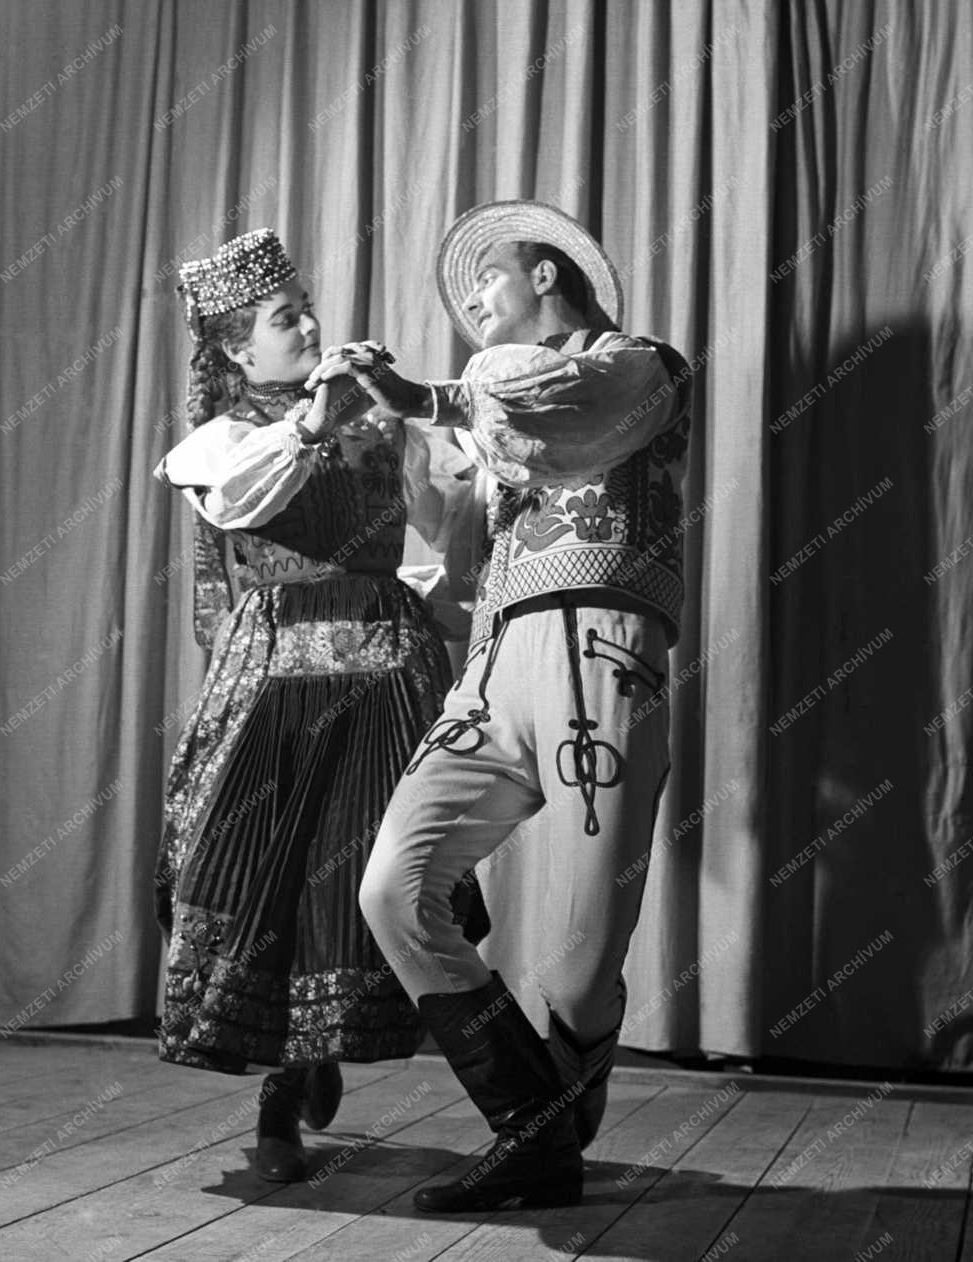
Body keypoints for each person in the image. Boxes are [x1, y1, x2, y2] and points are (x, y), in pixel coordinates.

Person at [312, 201, 691, 1212]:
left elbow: (560, 410)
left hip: (600, 650)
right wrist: (385, 425)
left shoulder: (640, 366)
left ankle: (550, 1123)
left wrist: (426, 395)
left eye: (489, 276)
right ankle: (534, 1127)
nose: (475, 299)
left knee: (577, 973)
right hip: (492, 664)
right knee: (394, 890)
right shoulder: (490, 414)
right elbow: (448, 560)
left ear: (546, 275)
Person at [152, 228, 486, 1183]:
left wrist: (443, 428)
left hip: (384, 672)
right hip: (275, 685)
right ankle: (283, 1091)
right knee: (268, 874)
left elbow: (451, 526)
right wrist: (314, 419)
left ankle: (321, 1075)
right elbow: (244, 498)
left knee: (372, 879)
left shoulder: (381, 424)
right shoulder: (221, 441)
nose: (306, 327)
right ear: (235, 352)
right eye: (281, 319)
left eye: (305, 311)